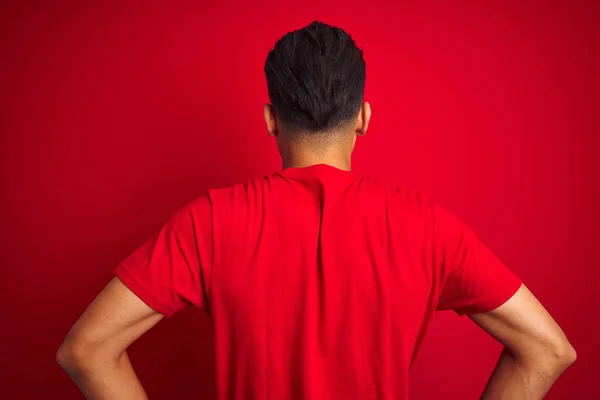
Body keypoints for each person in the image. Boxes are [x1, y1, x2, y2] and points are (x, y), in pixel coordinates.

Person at [57, 21, 576, 400]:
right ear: (364, 117)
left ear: (269, 119)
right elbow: (548, 350)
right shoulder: (430, 227)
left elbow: (86, 351)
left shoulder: (210, 222)